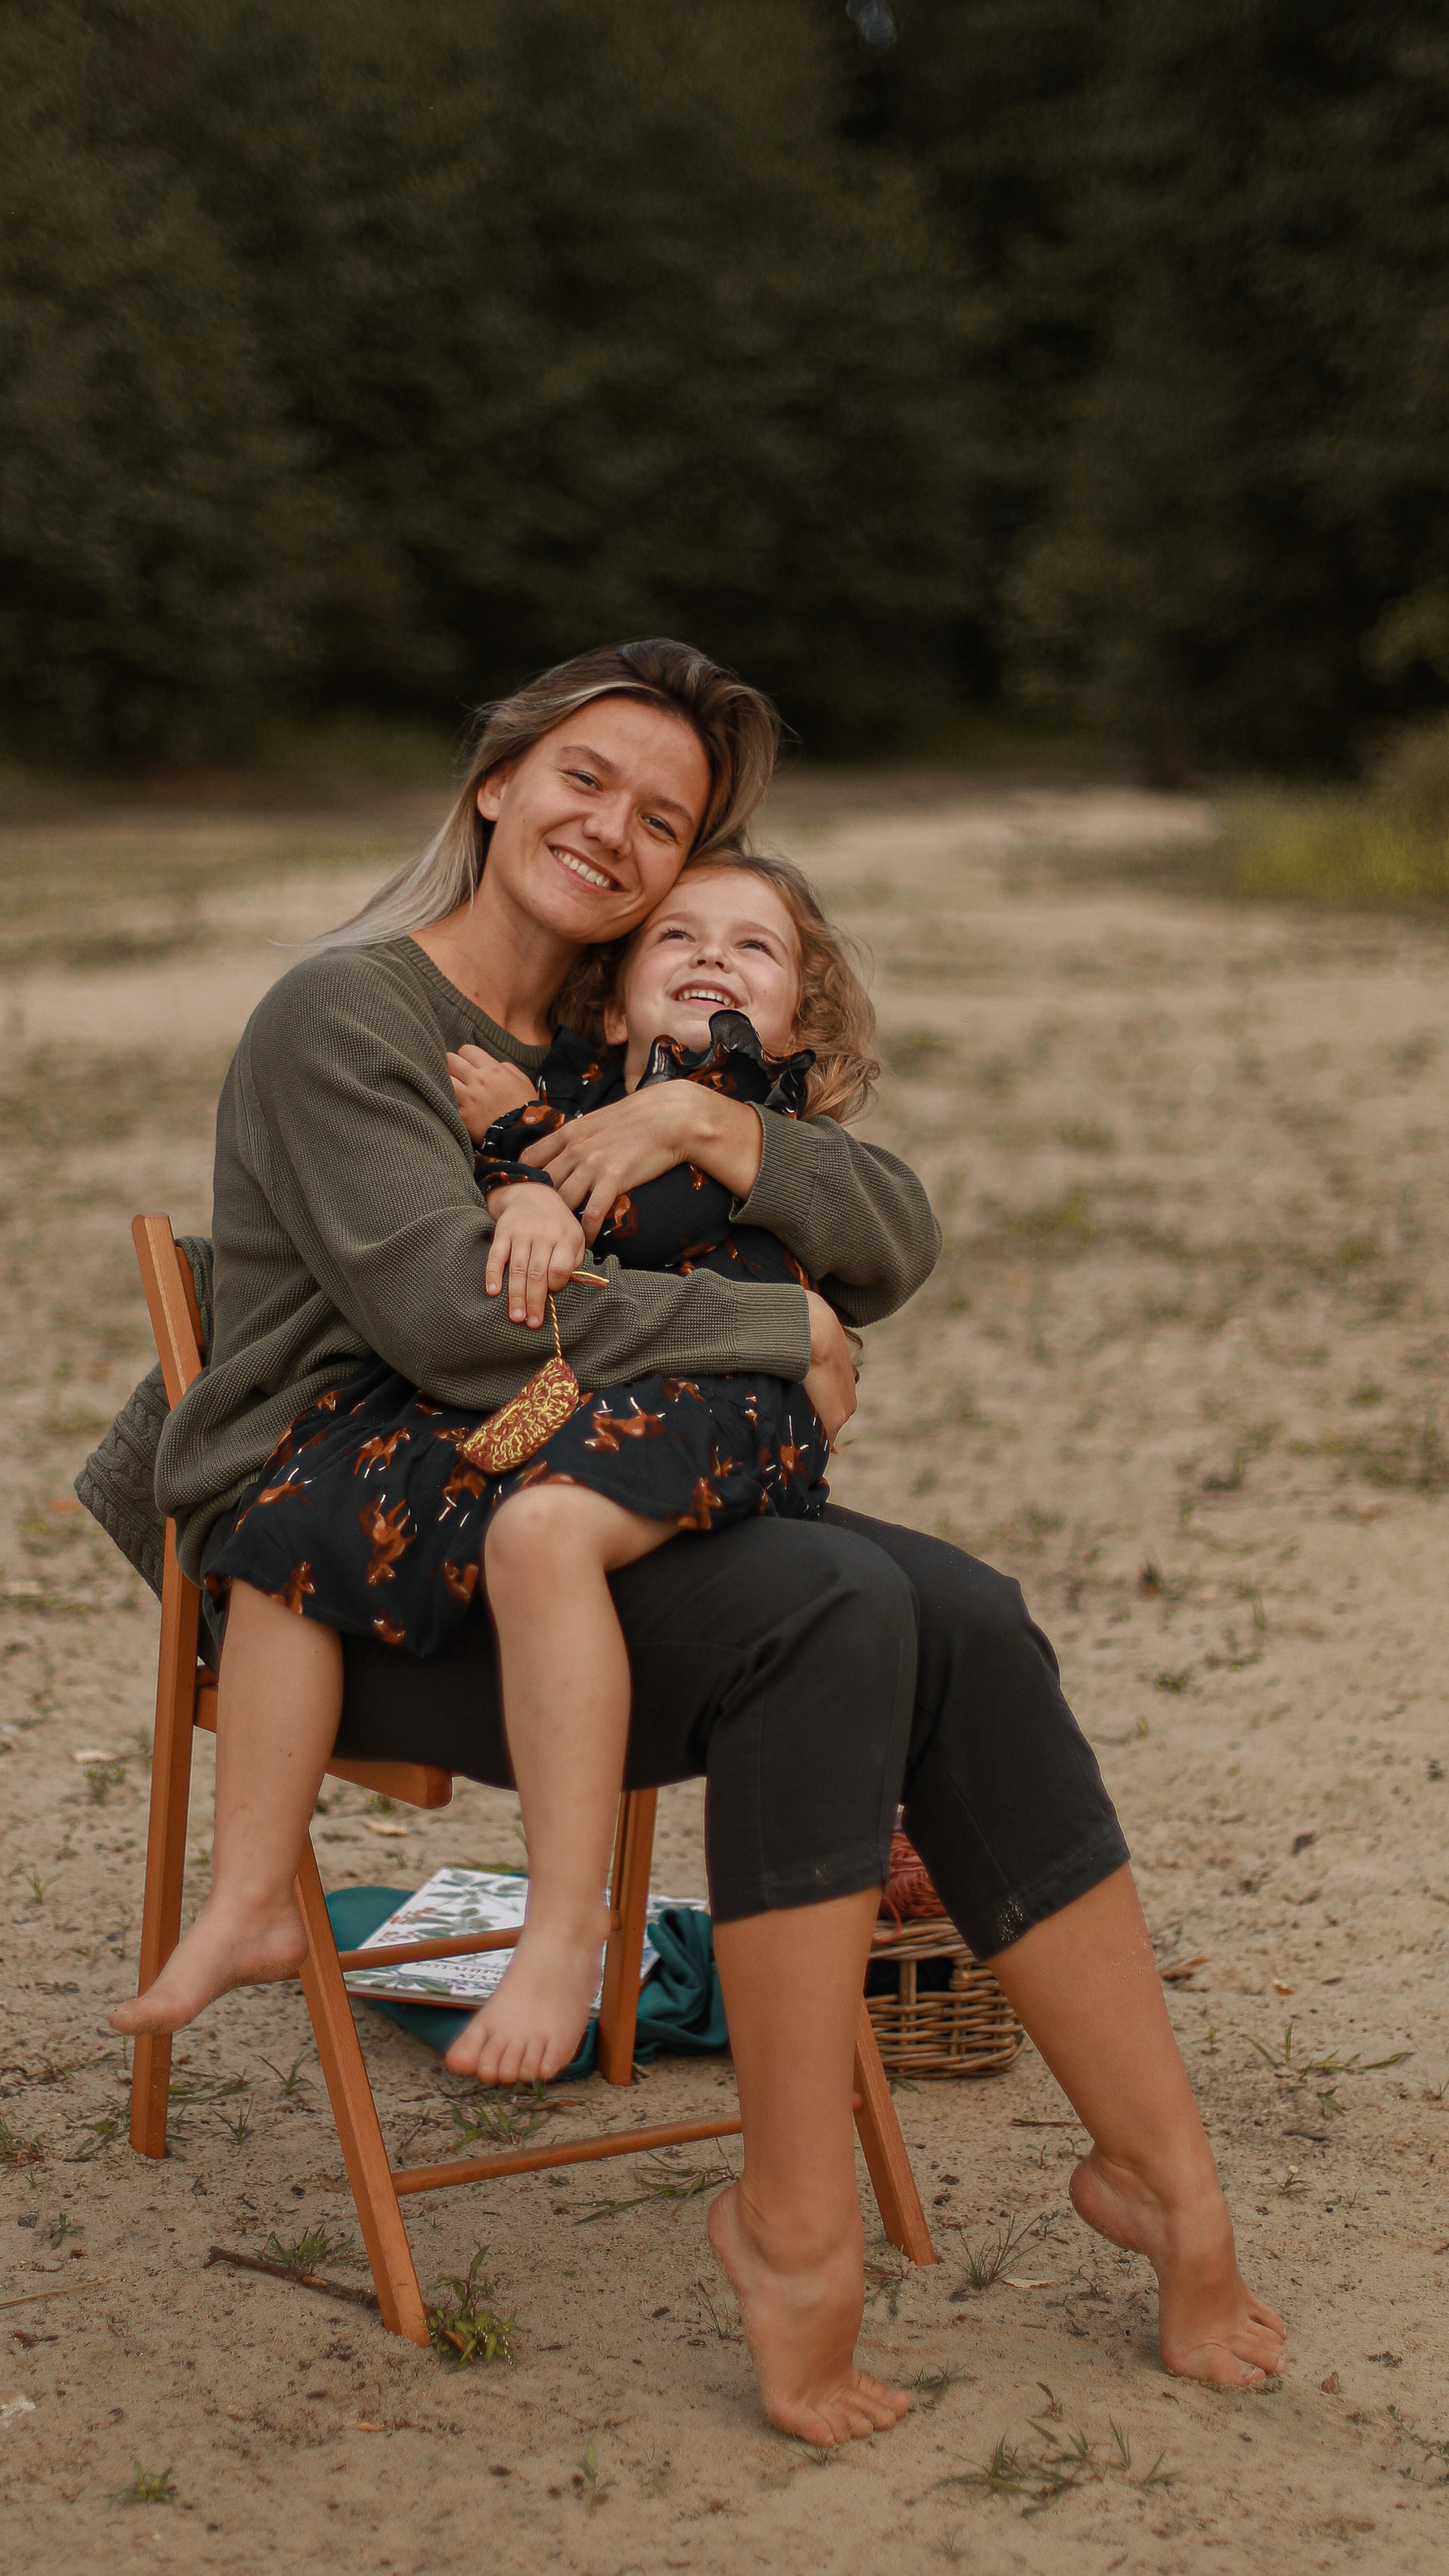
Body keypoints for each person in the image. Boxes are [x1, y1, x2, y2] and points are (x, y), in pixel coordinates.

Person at [113, 638, 1287, 2441]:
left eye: (663, 819)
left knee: (965, 1613)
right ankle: (796, 2238)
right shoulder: (347, 1016)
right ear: (496, 779)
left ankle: (1164, 2183)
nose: (614, 830)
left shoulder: (629, 1035)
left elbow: (887, 1237)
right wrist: (779, 1329)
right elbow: (458, 1327)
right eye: (585, 778)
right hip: (351, 1577)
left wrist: (699, 1118)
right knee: (832, 1606)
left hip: (558, 1517)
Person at [191, 849, 866, 2087]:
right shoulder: (581, 1093)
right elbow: (516, 1221)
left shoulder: (753, 1106)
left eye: (754, 948)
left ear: (796, 1021)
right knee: (294, 1513)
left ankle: (565, 1928)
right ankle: (247, 1896)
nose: (714, 959)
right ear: (610, 1004)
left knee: (540, 1534)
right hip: (593, 1391)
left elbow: (681, 1217)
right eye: (679, 938)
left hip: (729, 1401)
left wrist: (559, 1141)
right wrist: (521, 1194)